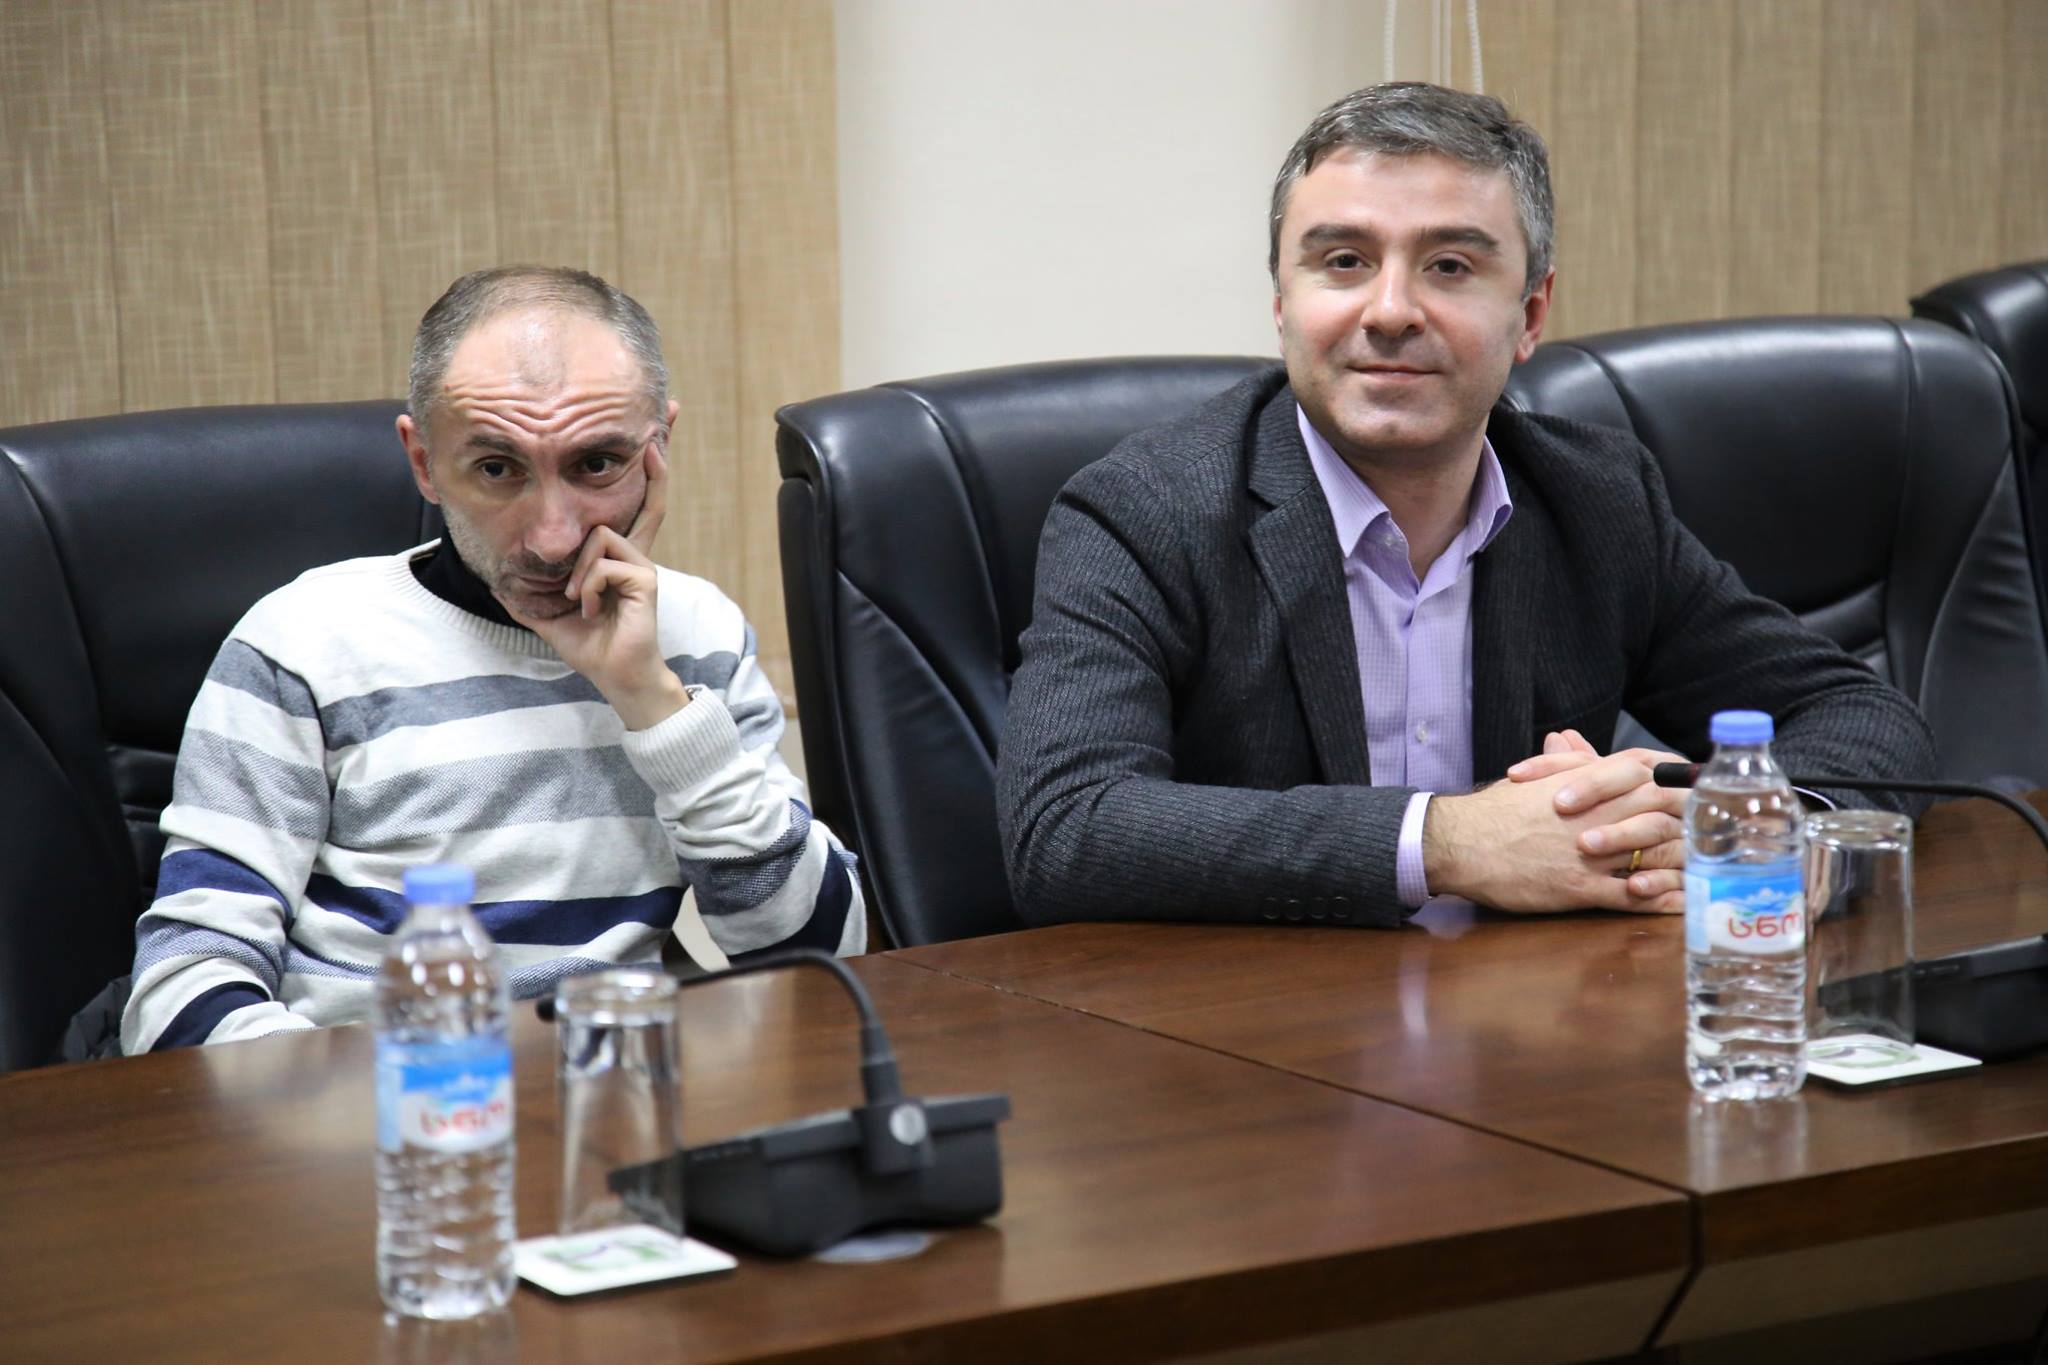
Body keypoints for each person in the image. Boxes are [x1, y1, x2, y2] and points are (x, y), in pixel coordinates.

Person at [995, 83, 1935, 930]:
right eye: (1343, 261)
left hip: (1530, 1025)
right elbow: (1065, 827)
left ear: (1530, 315)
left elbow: (1858, 716)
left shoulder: (1595, 501)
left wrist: (1762, 830)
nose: (1390, 310)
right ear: (1282, 304)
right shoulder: (1144, 512)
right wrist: (1449, 841)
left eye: (1448, 266)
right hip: (1252, 1036)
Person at [121, 266, 862, 1054]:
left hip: (616, 1093)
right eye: (498, 469)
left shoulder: (692, 633)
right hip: (380, 1102)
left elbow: (824, 956)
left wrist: (650, 697)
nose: (553, 537)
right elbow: (180, 992)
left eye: (596, 464)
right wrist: (390, 1100)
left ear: (659, 448)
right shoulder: (303, 645)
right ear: (423, 461)